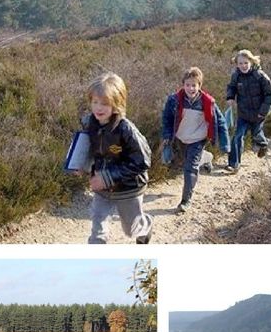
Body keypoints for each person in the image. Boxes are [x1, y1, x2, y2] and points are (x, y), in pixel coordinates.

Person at [81, 73, 152, 245]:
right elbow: (90, 150)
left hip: (128, 188)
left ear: (117, 103)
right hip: (102, 191)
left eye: (105, 103)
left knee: (132, 230)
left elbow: (143, 161)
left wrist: (108, 177)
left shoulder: (126, 129)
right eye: (95, 102)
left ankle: (146, 225)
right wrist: (81, 165)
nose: (98, 107)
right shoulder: (90, 123)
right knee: (98, 233)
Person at [161, 68, 229, 213]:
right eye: (187, 85)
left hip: (198, 139)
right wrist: (167, 136)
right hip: (181, 137)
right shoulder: (174, 100)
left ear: (200, 85)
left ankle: (185, 200)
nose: (190, 88)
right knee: (182, 162)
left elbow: (221, 121)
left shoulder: (207, 102)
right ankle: (206, 157)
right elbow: (166, 119)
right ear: (183, 85)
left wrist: (225, 143)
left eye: (194, 85)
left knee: (190, 168)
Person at [225, 50, 271, 172]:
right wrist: (230, 97)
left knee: (256, 134)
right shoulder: (236, 76)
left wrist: (264, 111)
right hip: (243, 113)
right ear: (236, 64)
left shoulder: (259, 75)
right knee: (237, 136)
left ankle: (263, 145)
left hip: (259, 113)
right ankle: (234, 164)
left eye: (246, 63)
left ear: (251, 62)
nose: (243, 66)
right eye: (240, 63)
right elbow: (231, 87)